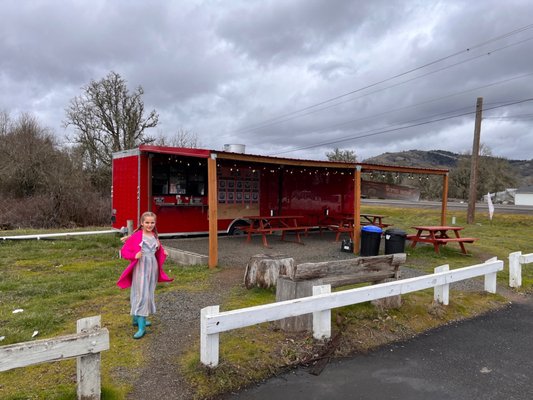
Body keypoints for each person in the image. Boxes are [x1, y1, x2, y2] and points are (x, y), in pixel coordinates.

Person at [117, 212, 173, 339]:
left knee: (148, 292)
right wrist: (134, 255)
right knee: (141, 293)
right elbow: (124, 252)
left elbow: (157, 249)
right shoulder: (137, 236)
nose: (150, 225)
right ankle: (141, 327)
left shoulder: (154, 235)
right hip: (141, 267)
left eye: (152, 222)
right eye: (147, 222)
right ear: (142, 223)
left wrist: (163, 251)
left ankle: (136, 319)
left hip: (152, 267)